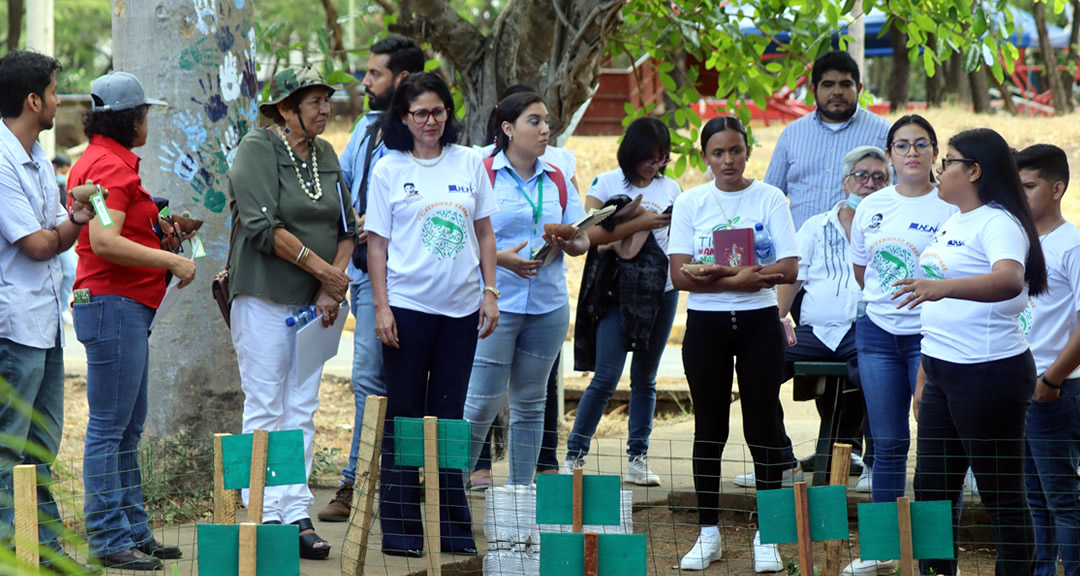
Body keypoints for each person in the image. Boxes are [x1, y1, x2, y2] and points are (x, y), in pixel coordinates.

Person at [898, 128, 1047, 576]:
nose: (939, 170)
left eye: (948, 162)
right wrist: (926, 376)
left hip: (988, 374)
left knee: (1000, 494)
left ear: (975, 170)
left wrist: (941, 288)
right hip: (943, 371)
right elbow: (941, 319)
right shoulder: (954, 220)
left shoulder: (998, 222)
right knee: (932, 492)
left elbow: (1008, 280)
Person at [366, 72, 499, 557]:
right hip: (405, 311)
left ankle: (454, 532)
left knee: (449, 422)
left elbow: (485, 233)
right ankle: (402, 534)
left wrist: (490, 291)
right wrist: (381, 308)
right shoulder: (388, 168)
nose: (431, 121)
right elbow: (376, 246)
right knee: (404, 419)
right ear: (403, 117)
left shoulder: (469, 162)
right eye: (420, 112)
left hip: (461, 312)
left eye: (438, 111)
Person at [227, 65, 356, 559]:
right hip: (262, 297)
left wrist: (332, 284)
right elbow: (263, 227)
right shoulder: (257, 149)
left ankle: (296, 511)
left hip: (316, 306)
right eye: (314, 101)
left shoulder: (325, 153)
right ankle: (262, 515)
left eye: (327, 99)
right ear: (286, 109)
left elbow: (349, 228)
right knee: (265, 406)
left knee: (301, 409)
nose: (326, 109)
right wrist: (324, 273)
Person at [68, 71, 191, 571]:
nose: (148, 122)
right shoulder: (111, 167)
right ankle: (108, 538)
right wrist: (172, 262)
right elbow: (104, 241)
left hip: (119, 306)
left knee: (126, 429)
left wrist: (157, 229)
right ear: (129, 118)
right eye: (145, 114)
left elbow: (107, 224)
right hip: (114, 304)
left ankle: (133, 531)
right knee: (110, 429)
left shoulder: (99, 161)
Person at [669, 116, 798, 572]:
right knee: (709, 429)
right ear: (705, 156)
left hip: (760, 321)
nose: (728, 160)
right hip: (706, 327)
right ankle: (709, 534)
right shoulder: (690, 201)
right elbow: (680, 275)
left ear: (748, 151)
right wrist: (737, 276)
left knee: (763, 427)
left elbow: (789, 267)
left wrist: (740, 280)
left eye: (736, 150)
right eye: (718, 152)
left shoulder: (769, 197)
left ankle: (769, 535)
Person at [734, 146, 888, 493]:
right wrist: (776, 321)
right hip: (816, 332)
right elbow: (792, 278)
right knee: (758, 363)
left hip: (866, 329)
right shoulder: (815, 226)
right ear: (845, 182)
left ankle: (876, 465)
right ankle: (779, 462)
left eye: (880, 178)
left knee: (879, 368)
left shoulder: (892, 229)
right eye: (862, 175)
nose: (869, 184)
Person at [844, 115, 956, 576]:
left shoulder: (951, 206)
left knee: (935, 448)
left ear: (934, 153)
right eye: (902, 145)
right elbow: (862, 271)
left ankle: (934, 557)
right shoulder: (872, 206)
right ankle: (881, 548)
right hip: (876, 335)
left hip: (934, 338)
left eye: (921, 145)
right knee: (887, 444)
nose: (912, 153)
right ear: (889, 155)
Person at [318, 35, 424, 523]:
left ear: (402, 80)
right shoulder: (363, 128)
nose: (365, 82)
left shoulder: (423, 140)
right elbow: (342, 190)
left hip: (402, 277)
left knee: (386, 380)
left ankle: (376, 483)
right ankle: (360, 482)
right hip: (359, 270)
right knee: (368, 381)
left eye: (375, 74)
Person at [0, 49, 98, 574]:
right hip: (12, 325)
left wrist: (74, 219)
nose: (60, 102)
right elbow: (38, 244)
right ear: (33, 99)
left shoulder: (37, 156)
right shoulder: (1, 159)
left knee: (41, 443)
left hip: (45, 324)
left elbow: (58, 228)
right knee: (8, 446)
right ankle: (14, 553)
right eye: (55, 92)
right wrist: (71, 224)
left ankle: (43, 546)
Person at [462, 92, 589, 486]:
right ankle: (451, 493)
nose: (545, 129)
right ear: (507, 129)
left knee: (531, 405)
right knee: (480, 404)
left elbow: (584, 237)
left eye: (546, 120)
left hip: (548, 307)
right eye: (534, 121)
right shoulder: (479, 170)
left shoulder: (558, 176)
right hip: (495, 304)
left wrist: (571, 242)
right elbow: (463, 242)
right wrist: (500, 259)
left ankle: (520, 497)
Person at [563, 116, 681, 487]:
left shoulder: (673, 187)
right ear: (631, 153)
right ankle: (575, 455)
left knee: (645, 378)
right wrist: (637, 224)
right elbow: (588, 234)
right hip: (615, 292)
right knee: (606, 376)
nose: (654, 165)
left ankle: (638, 457)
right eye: (648, 157)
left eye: (661, 158)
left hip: (660, 291)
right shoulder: (608, 183)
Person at [1016, 144, 1080, 576]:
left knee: (1061, 496)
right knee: (1032, 496)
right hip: (1017, 383)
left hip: (1055, 386)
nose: (1020, 195)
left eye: (1029, 186)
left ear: (1056, 188)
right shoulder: (1015, 240)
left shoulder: (1071, 245)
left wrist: (1052, 380)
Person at [764, 50, 891, 229]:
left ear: (859, 88)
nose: (837, 92)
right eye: (828, 85)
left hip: (859, 248)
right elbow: (770, 197)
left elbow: (901, 195)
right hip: (800, 250)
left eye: (846, 84)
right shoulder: (792, 134)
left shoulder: (884, 133)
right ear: (813, 89)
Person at [53, 153, 77, 326]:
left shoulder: (63, 187)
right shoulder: (46, 182)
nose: (63, 174)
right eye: (61, 170)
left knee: (70, 272)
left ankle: (61, 309)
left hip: (63, 234)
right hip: (50, 235)